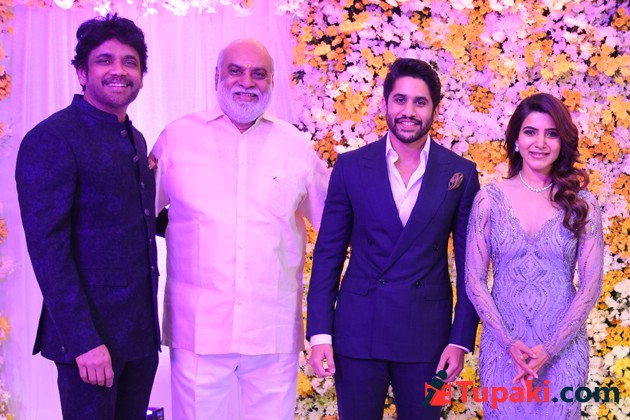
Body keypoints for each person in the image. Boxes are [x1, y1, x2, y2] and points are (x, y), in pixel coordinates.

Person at [151, 38, 329, 419]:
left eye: (258, 74)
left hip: (272, 330)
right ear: (217, 76)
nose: (247, 82)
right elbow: (135, 215)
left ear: (272, 81)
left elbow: (333, 220)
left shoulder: (296, 146)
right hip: (197, 329)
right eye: (236, 71)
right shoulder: (177, 138)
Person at [306, 57, 481, 419]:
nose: (409, 111)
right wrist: (320, 333)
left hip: (429, 338)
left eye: (420, 102)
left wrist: (460, 339)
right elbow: (328, 255)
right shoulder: (351, 167)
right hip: (357, 332)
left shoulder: (461, 173)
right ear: (385, 103)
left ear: (435, 109)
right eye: (400, 100)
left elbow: (471, 267)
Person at [15, 14, 160, 420]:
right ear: (82, 73)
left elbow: (139, 221)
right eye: (104, 60)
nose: (119, 70)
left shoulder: (134, 137)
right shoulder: (53, 137)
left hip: (140, 337)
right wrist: (84, 341)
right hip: (90, 343)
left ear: (142, 76)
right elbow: (49, 250)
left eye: (130, 62)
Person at [465, 93, 604, 418]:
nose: (540, 143)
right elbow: (474, 280)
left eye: (551, 133)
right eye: (530, 132)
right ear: (515, 139)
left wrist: (551, 348)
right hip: (503, 351)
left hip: (562, 351)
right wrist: (507, 341)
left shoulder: (582, 203)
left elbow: (591, 285)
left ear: (562, 142)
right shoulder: (488, 200)